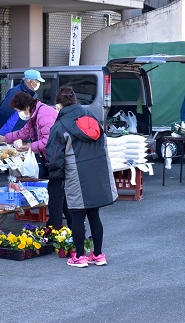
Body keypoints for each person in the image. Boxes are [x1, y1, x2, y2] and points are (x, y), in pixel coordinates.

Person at [46, 86, 118, 268]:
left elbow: (54, 156)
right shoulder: (92, 117)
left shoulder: (60, 125)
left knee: (77, 215)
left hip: (76, 174)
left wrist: (56, 176)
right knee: (94, 214)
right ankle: (99, 254)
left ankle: (79, 256)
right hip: (97, 170)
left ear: (59, 105)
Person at [0, 91, 70, 228]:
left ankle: (55, 229)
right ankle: (69, 229)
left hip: (59, 159)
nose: (19, 114)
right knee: (61, 196)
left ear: (25, 107)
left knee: (56, 195)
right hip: (54, 159)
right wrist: (3, 138)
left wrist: (29, 147)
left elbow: (48, 141)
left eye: (18, 110)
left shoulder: (44, 114)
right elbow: (24, 132)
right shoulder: (35, 115)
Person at [0, 69, 45, 135]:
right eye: (37, 81)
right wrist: (2, 127)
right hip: (12, 132)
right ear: (30, 81)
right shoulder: (15, 92)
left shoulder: (33, 94)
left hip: (25, 132)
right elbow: (4, 111)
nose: (39, 83)